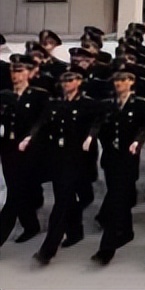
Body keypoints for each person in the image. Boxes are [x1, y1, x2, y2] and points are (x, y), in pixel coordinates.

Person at [29, 70, 102, 265]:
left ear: (79, 81)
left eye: (70, 80)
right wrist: (30, 137)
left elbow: (100, 120)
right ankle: (75, 232)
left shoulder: (87, 104)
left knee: (61, 204)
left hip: (77, 159)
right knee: (66, 199)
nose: (66, 83)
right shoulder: (55, 104)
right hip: (58, 158)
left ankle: (48, 250)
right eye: (63, 80)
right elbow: (43, 123)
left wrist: (91, 136)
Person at [92, 69, 145, 265]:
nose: (118, 84)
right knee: (120, 196)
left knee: (118, 198)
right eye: (116, 81)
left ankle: (106, 248)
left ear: (131, 81)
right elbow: (99, 125)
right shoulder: (108, 105)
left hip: (128, 158)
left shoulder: (141, 104)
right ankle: (126, 232)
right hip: (111, 158)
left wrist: (138, 141)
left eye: (123, 80)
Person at [0, 54, 50, 251]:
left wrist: (31, 137)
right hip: (8, 150)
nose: (16, 75)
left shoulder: (38, 95)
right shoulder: (5, 95)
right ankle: (31, 225)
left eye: (20, 71)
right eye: (13, 70)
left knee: (14, 195)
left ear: (29, 72)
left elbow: (42, 121)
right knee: (17, 190)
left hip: (28, 151)